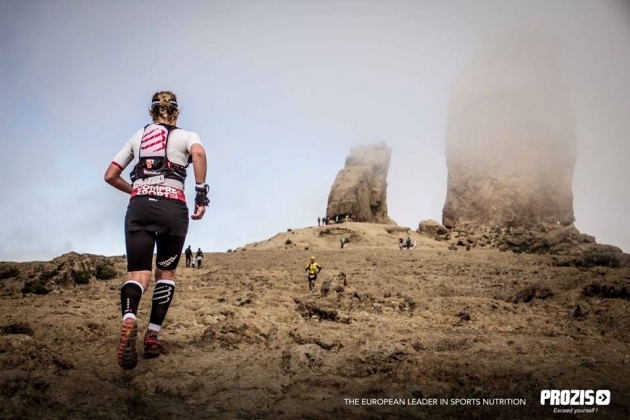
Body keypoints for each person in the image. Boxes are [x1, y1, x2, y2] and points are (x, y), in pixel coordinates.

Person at [104, 91, 209, 370]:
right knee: (165, 274)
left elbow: (110, 175)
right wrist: (201, 194)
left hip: (140, 206)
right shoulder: (187, 136)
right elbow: (198, 153)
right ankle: (151, 337)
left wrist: (135, 190)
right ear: (176, 113)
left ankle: (129, 317)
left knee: (137, 274)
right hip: (172, 210)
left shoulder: (136, 138)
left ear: (152, 113)